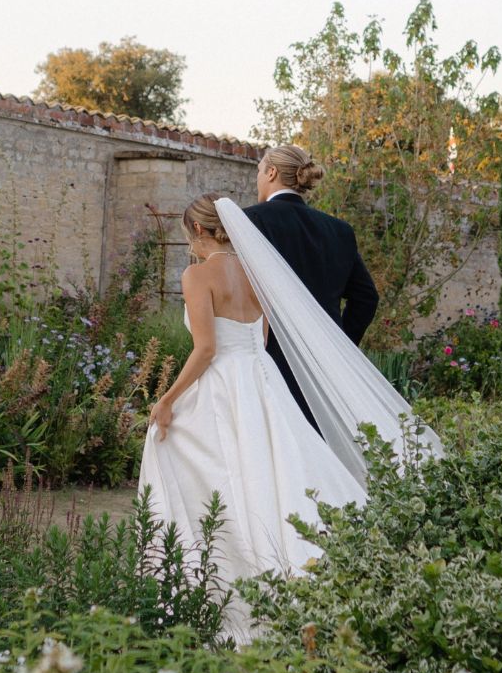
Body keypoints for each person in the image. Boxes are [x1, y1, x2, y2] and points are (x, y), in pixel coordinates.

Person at [136, 193, 365, 643]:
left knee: (179, 451)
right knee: (271, 471)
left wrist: (166, 399)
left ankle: (204, 580)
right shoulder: (259, 274)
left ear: (200, 232)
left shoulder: (197, 275)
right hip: (262, 380)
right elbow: (259, 339)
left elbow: (205, 349)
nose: (191, 249)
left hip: (222, 384)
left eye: (190, 240)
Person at [240, 144, 379, 433]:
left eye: (258, 171)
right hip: (326, 364)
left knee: (275, 446)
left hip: (269, 360)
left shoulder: (251, 221)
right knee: (321, 445)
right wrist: (338, 344)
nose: (257, 179)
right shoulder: (339, 230)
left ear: (272, 173)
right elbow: (366, 297)